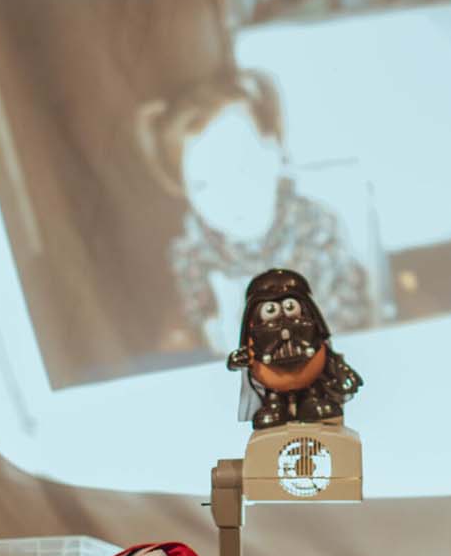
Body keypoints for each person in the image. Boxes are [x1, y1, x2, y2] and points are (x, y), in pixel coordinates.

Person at [135, 69, 374, 360]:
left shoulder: (316, 227)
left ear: (274, 152)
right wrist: (214, 330)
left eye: (243, 168)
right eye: (203, 184)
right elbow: (198, 323)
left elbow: (349, 322)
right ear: (184, 189)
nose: (230, 197)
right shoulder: (192, 251)